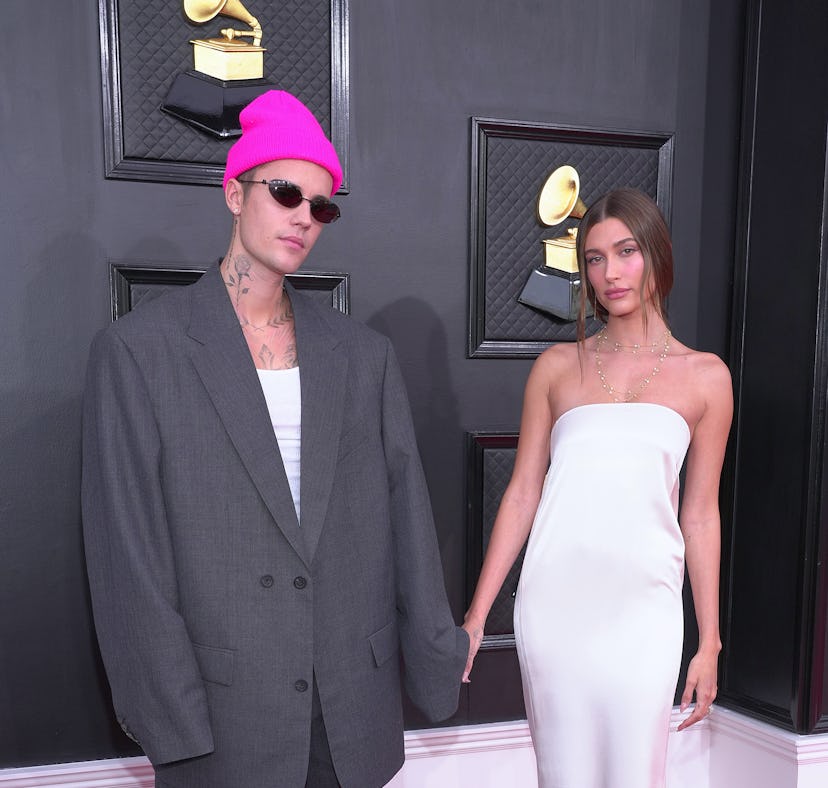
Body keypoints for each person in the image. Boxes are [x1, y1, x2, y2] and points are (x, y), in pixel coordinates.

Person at [81, 90, 468, 788]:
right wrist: (173, 719)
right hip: (223, 719)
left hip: (352, 712)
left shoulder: (362, 355)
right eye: (286, 192)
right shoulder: (140, 352)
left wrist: (438, 651)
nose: (303, 219)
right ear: (234, 191)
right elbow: (128, 557)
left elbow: (405, 514)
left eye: (322, 206)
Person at [462, 188, 732, 788]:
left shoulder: (707, 377)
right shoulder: (558, 367)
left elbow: (702, 515)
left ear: (656, 255)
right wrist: (477, 615)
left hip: (646, 612)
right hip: (555, 608)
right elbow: (523, 492)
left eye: (626, 251)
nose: (610, 272)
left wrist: (708, 640)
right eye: (594, 257)